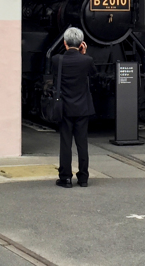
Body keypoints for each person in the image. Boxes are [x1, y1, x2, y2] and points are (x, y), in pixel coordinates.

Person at [53, 26, 97, 188]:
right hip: (82, 108)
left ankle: (65, 178)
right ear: (81, 44)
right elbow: (94, 74)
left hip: (65, 108)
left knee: (65, 144)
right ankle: (83, 178)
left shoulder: (57, 60)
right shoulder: (87, 61)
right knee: (82, 143)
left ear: (64, 43)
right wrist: (84, 55)